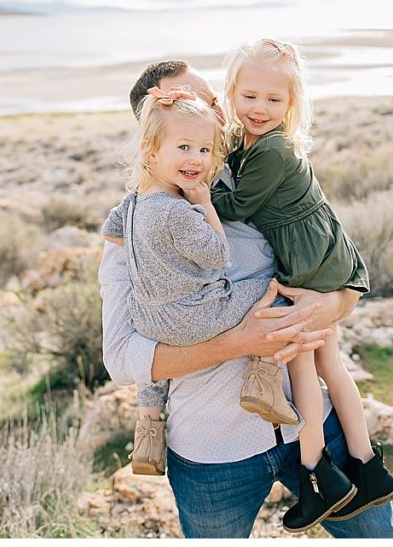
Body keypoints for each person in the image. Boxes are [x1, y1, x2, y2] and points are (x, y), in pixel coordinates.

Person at [98, 59, 393, 539]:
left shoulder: (263, 177)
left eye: (210, 99)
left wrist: (327, 308)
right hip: (212, 452)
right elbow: (122, 359)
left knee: (383, 536)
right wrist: (242, 341)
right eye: (190, 102)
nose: (216, 112)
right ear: (153, 130)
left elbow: (343, 275)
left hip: (311, 423)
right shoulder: (131, 227)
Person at [212, 38, 393, 530]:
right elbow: (230, 145)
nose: (259, 108)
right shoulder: (249, 139)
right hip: (323, 255)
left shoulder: (272, 149)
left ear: (291, 102)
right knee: (329, 363)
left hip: (312, 264)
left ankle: (317, 475)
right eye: (249, 96)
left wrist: (193, 189)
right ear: (231, 92)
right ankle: (368, 466)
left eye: (274, 100)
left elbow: (236, 206)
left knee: (301, 369)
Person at [101, 87, 292, 478]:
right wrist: (204, 204)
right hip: (195, 316)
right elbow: (218, 255)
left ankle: (150, 429)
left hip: (150, 321)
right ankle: (262, 378)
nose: (197, 160)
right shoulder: (179, 211)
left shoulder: (134, 203)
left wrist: (154, 261)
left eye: (204, 151)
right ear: (151, 151)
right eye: (185, 147)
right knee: (274, 291)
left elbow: (113, 232)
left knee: (154, 375)